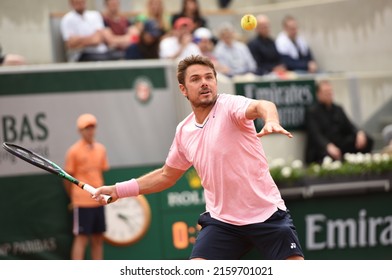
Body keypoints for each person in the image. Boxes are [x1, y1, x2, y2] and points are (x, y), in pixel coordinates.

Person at [93, 55, 305, 260]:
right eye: (195, 79)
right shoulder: (184, 131)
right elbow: (166, 176)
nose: (204, 83)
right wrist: (118, 190)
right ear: (183, 89)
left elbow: (262, 105)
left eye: (209, 77)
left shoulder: (230, 106)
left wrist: (271, 119)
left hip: (266, 215)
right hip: (223, 223)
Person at [64, 113, 110, 260]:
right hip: (82, 202)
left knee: (98, 239)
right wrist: (73, 197)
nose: (90, 131)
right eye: (86, 128)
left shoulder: (101, 149)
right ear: (80, 131)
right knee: (82, 239)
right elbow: (67, 178)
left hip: (99, 200)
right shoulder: (73, 151)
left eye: (92, 127)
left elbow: (100, 171)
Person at [305, 80, 374, 164]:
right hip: (323, 147)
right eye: (326, 92)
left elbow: (350, 126)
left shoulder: (338, 109)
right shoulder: (312, 112)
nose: (329, 94)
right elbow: (316, 135)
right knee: (327, 154)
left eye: (330, 91)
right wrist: (328, 146)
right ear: (318, 94)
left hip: (340, 143)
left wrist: (359, 132)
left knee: (366, 139)